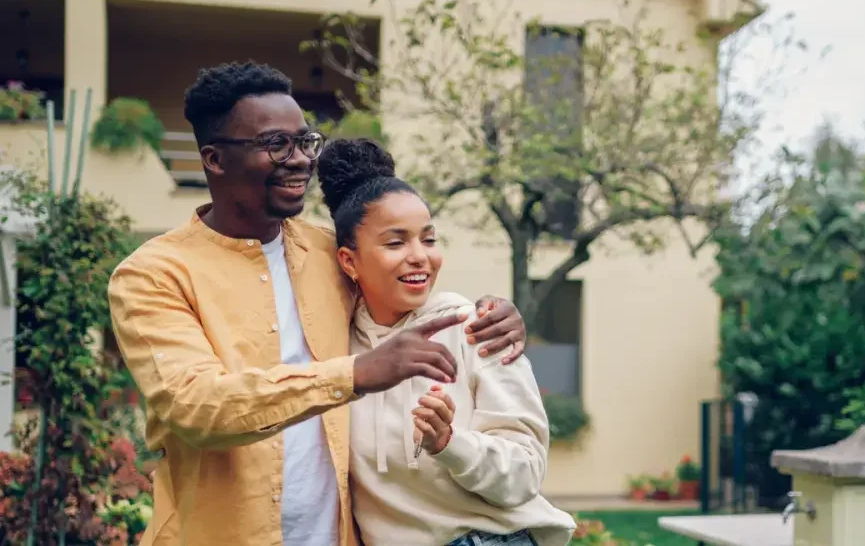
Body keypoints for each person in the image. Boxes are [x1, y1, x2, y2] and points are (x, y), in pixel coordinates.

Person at [106, 61, 528, 546]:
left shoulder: (331, 252)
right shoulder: (152, 275)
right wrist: (353, 374)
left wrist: (495, 312)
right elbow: (196, 406)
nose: (301, 160)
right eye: (275, 144)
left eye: (305, 141)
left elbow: (406, 295)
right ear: (214, 159)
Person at [316, 138, 576, 546]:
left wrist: (449, 443)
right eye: (396, 242)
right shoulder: (336, 349)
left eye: (429, 239)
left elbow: (525, 474)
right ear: (349, 261)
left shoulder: (476, 329)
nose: (420, 256)